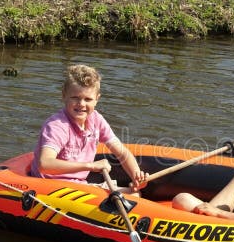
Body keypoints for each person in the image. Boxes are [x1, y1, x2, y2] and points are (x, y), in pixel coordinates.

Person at [30, 64, 147, 192]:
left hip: (79, 184)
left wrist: (137, 176)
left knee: (136, 193)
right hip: (51, 187)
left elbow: (122, 153)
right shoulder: (57, 126)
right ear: (64, 95)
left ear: (97, 99)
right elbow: (45, 164)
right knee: (133, 198)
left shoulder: (96, 120)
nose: (81, 104)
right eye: (75, 98)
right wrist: (90, 166)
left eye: (88, 99)